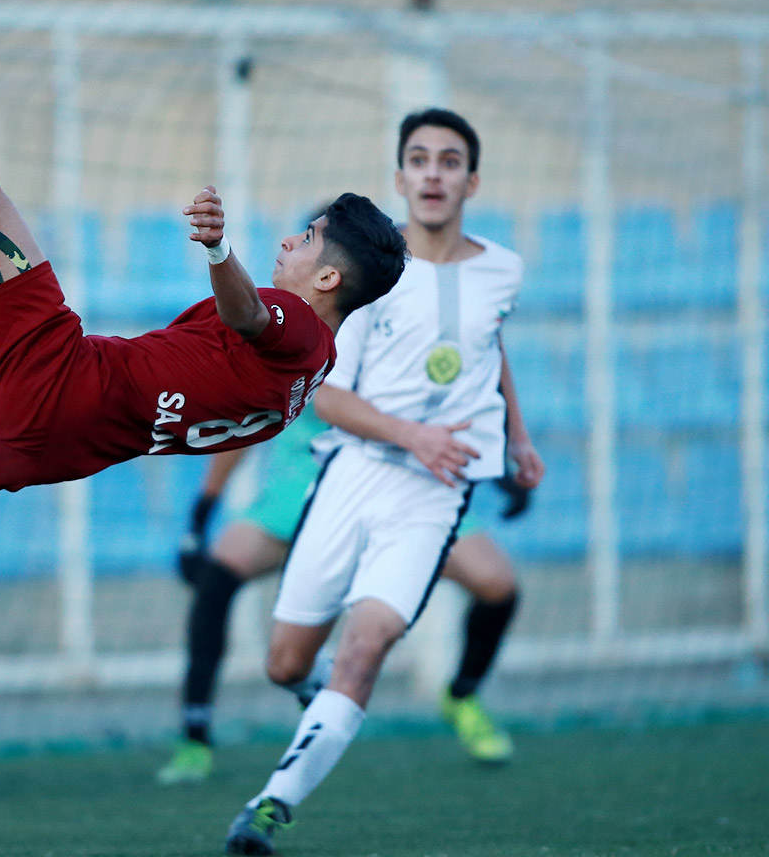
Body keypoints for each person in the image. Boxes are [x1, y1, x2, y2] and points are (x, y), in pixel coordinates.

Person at [0, 130, 408, 756]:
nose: (290, 240)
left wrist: (217, 250)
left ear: (328, 280)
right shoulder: (312, 373)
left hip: (60, 383)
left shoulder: (293, 323)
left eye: (310, 236)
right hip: (44, 447)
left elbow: (250, 313)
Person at [222, 108, 545, 855]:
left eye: (450, 160)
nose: (435, 172)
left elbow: (489, 353)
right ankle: (320, 705)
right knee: (284, 663)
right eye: (421, 159)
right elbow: (321, 392)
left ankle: (270, 807)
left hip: (433, 496)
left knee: (366, 647)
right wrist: (411, 435)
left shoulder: (504, 268)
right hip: (353, 475)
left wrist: (518, 438)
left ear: (472, 179)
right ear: (401, 179)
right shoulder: (374, 273)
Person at [156, 439, 531, 785]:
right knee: (218, 576)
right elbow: (247, 424)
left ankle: (462, 695)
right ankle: (195, 733)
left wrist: (499, 471)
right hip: (299, 496)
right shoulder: (296, 368)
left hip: (406, 495)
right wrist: (202, 511)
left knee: (498, 584)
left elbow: (461, 406)